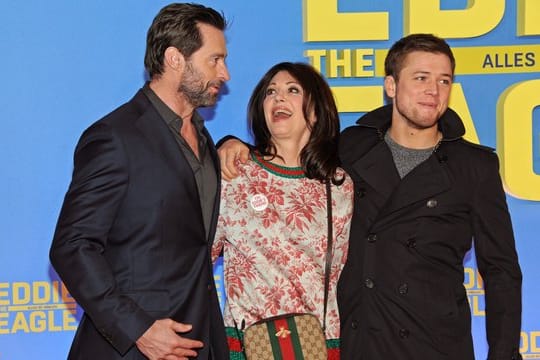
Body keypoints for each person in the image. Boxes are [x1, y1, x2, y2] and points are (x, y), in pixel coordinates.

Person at [218, 34, 522, 360]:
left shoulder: (474, 167)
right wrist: (232, 145)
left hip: (435, 345)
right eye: (421, 78)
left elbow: (501, 270)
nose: (433, 91)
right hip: (359, 343)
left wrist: (504, 355)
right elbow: (291, 155)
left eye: (443, 80)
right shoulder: (352, 147)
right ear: (390, 86)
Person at [49, 3, 230, 359]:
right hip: (135, 348)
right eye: (215, 60)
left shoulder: (206, 140)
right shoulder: (115, 137)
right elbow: (72, 245)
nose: (225, 73)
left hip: (199, 341)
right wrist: (138, 329)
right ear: (176, 59)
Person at [211, 62, 353, 359]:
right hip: (248, 345)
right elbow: (197, 256)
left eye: (292, 90)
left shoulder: (338, 185)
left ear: (316, 111)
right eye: (270, 92)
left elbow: (340, 272)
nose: (278, 98)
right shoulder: (236, 173)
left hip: (315, 344)